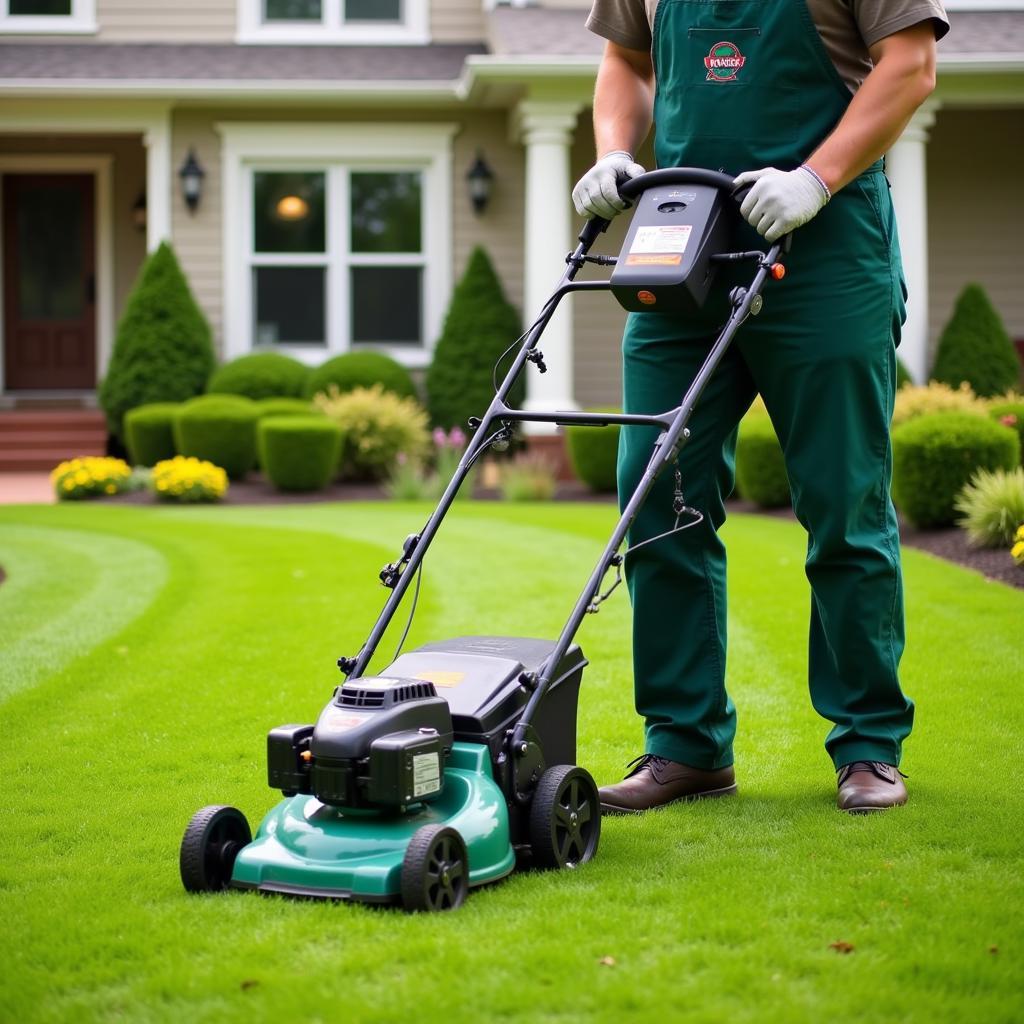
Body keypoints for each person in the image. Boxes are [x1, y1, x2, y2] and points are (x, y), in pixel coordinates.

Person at [573, 0, 949, 814]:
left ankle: (868, 743)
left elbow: (911, 64)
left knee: (842, 496)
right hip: (683, 238)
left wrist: (816, 176)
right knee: (655, 489)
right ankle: (687, 745)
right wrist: (611, 150)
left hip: (826, 246)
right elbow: (630, 62)